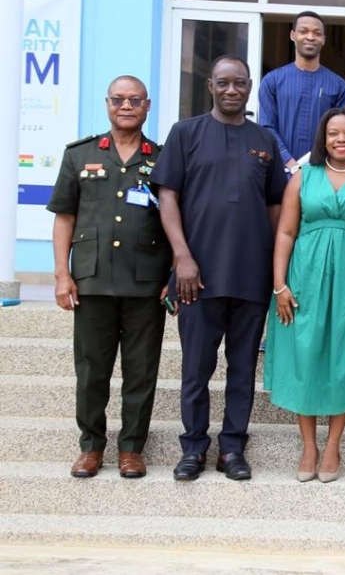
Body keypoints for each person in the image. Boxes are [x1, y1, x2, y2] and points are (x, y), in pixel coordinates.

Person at [151, 55, 288, 482]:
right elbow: (167, 197)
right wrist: (182, 258)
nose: (232, 90)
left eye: (240, 84)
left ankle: (232, 448)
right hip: (197, 275)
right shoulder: (185, 132)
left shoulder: (263, 139)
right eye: (224, 83)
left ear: (250, 88)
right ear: (210, 85)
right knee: (196, 368)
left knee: (243, 367)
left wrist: (277, 271)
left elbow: (275, 207)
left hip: (251, 274)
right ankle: (193, 447)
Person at [47, 76, 172, 479]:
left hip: (146, 283)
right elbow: (65, 217)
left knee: (141, 370)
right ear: (107, 104)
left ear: (147, 106)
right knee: (91, 369)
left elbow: (175, 220)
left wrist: (172, 272)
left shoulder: (163, 157)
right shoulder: (80, 155)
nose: (126, 106)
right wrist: (62, 275)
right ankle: (91, 446)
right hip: (92, 281)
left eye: (134, 100)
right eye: (119, 99)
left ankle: (132, 448)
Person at [264, 108, 345, 483]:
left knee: (344, 357)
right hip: (305, 277)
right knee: (305, 354)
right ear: (323, 138)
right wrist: (279, 285)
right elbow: (285, 234)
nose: (341, 140)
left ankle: (333, 444)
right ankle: (308, 446)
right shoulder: (302, 178)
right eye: (333, 133)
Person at [259, 10, 345, 171]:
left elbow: (341, 132)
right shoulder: (272, 81)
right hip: (280, 172)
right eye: (303, 31)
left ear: (323, 39)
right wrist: (289, 162)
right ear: (292, 35)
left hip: (323, 172)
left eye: (317, 33)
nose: (310, 37)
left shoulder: (338, 85)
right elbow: (266, 127)